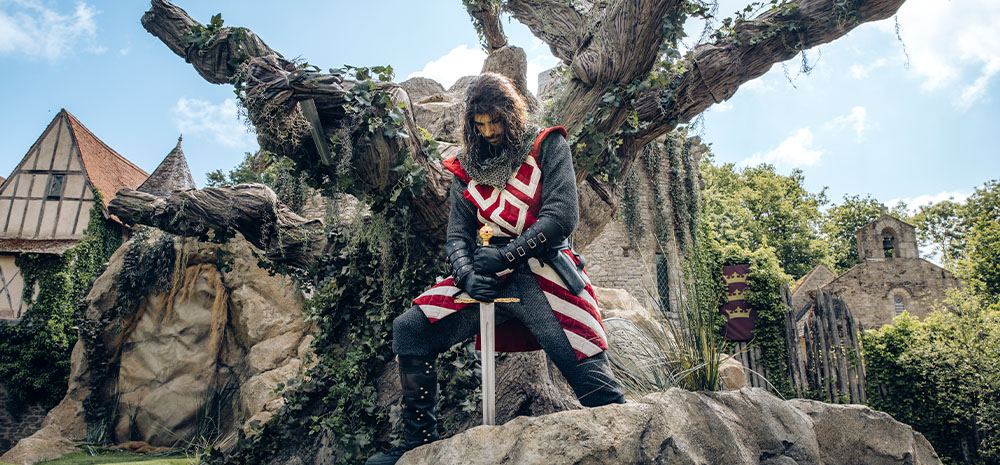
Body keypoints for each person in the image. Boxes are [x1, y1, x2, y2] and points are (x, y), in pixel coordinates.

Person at [366, 72, 625, 465]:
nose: (488, 131)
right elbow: (457, 235)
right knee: (410, 329)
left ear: (510, 113)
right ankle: (416, 445)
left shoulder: (546, 145)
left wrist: (508, 255)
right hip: (486, 277)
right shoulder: (466, 168)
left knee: (598, 390)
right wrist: (467, 273)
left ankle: (629, 441)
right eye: (479, 124)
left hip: (546, 271)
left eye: (495, 121)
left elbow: (562, 216)